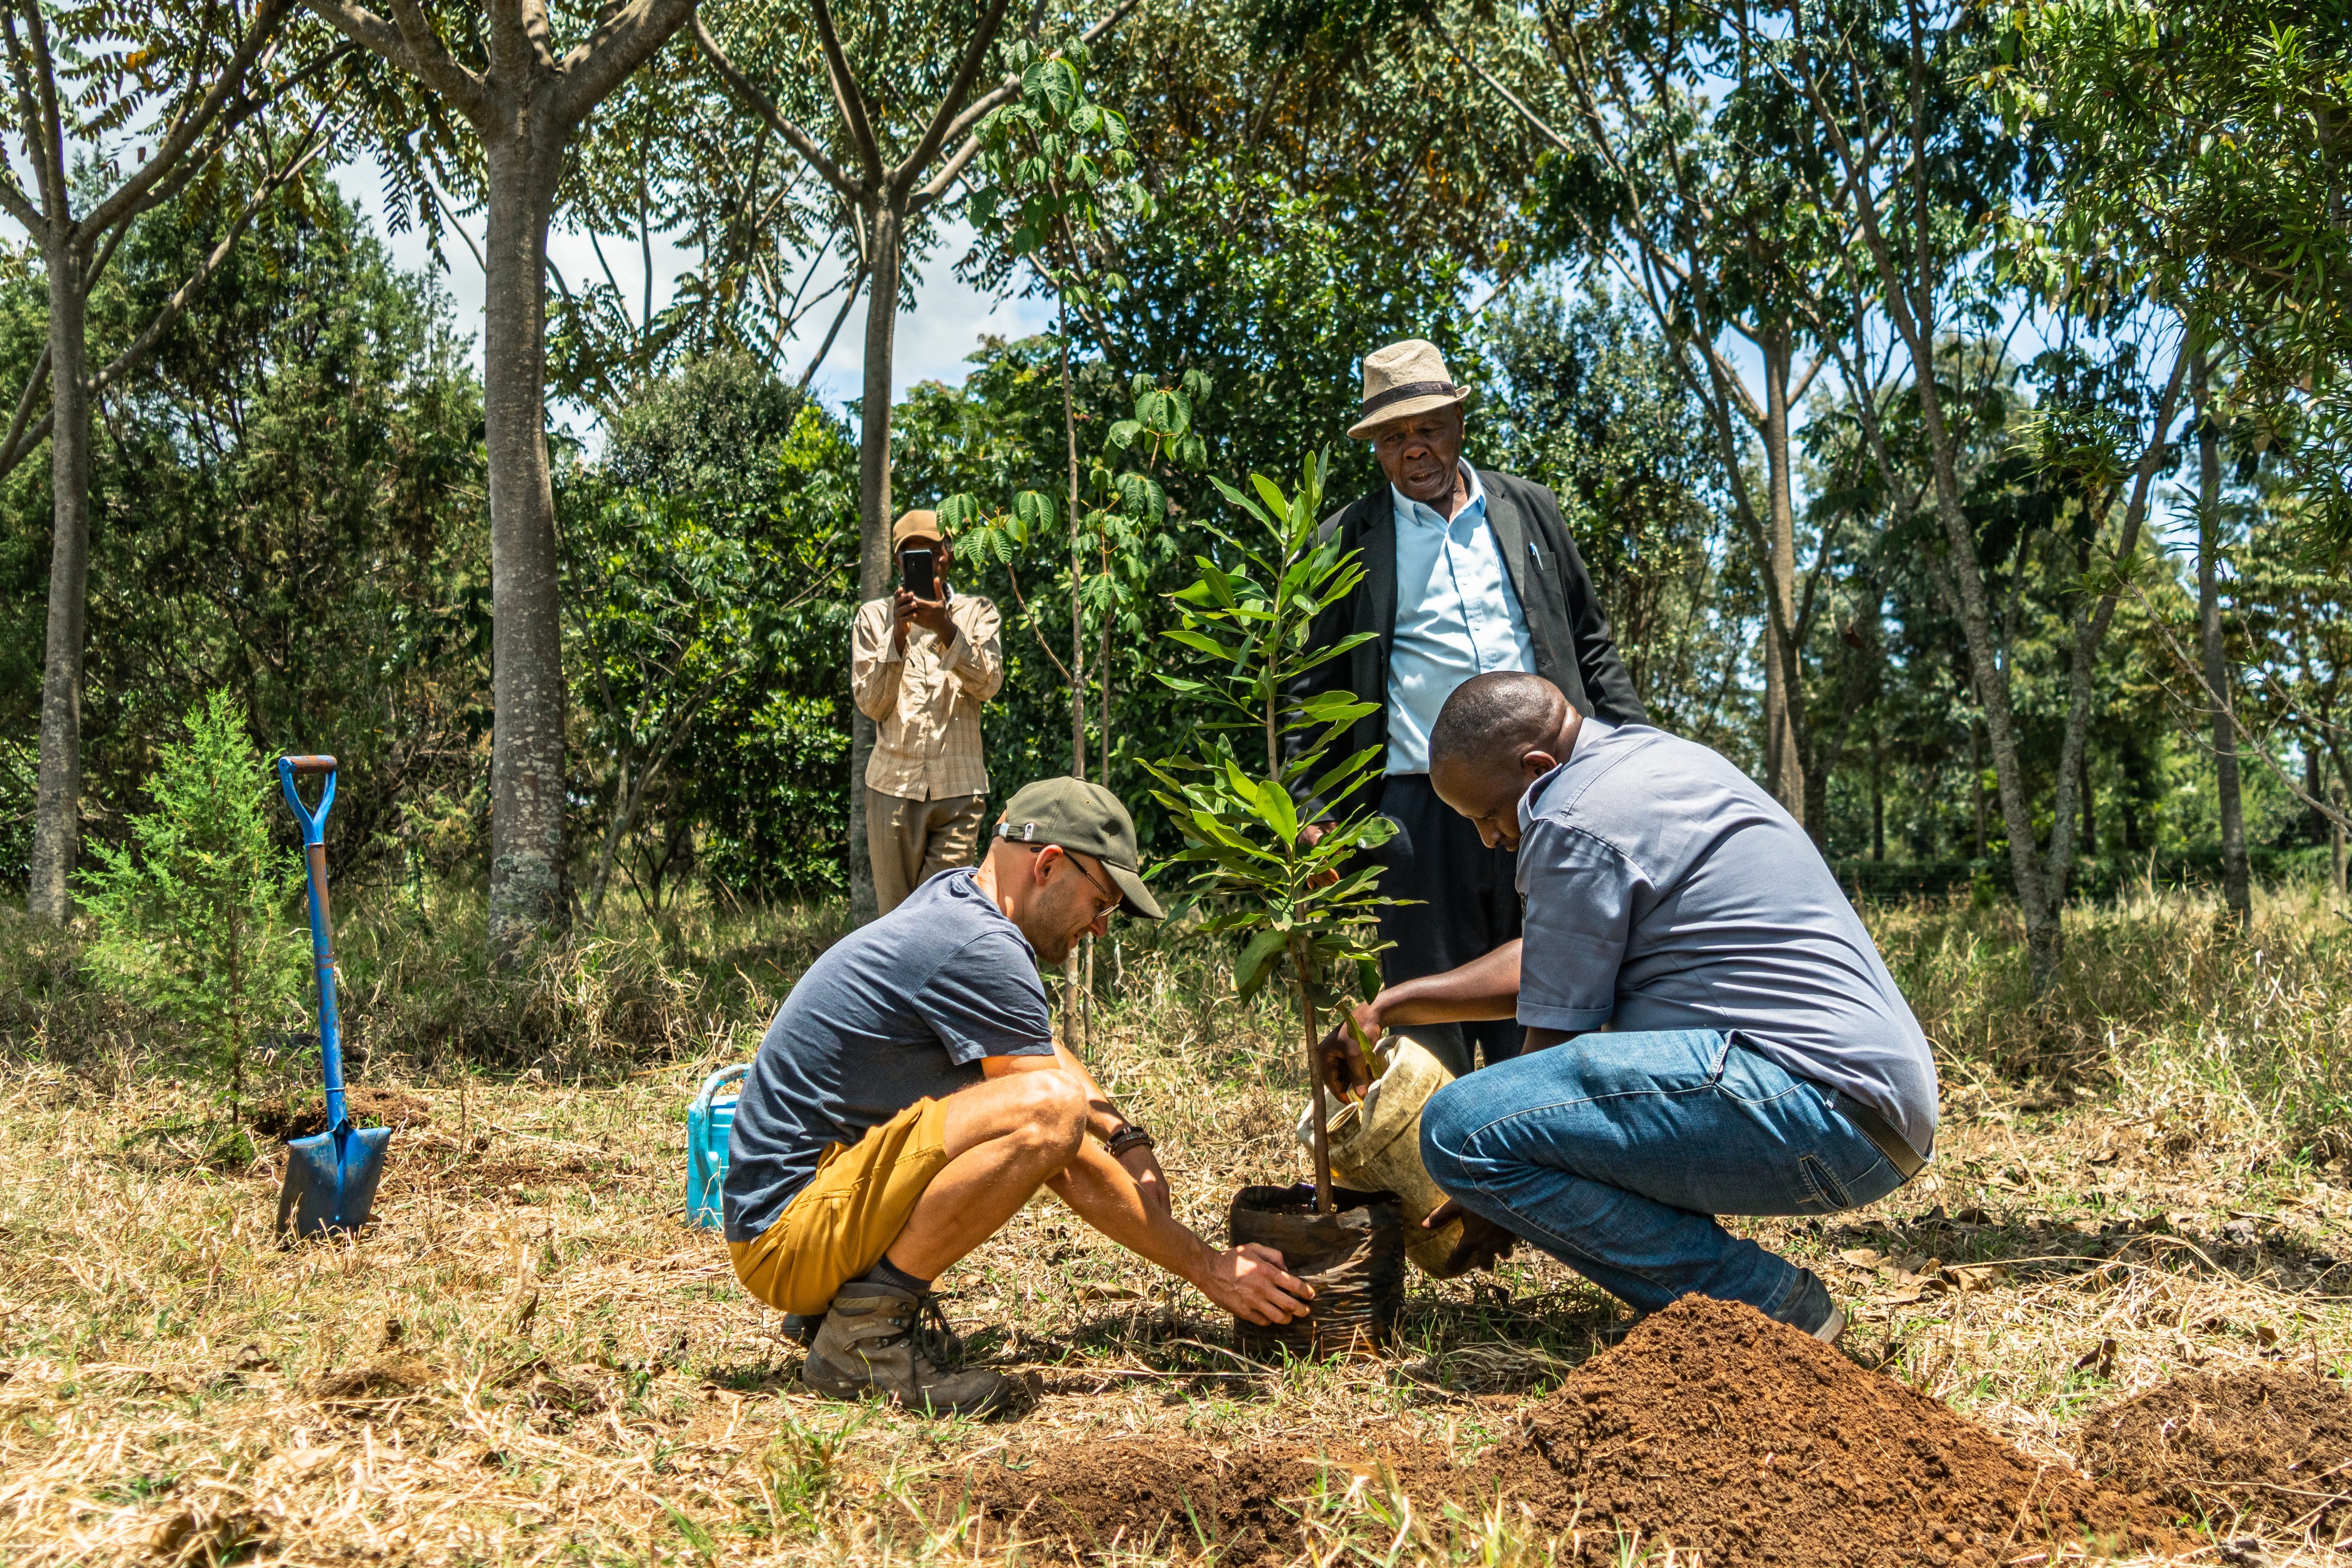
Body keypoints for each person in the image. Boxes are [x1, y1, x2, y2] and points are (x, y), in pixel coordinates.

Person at [1322, 672, 1938, 1342]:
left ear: (1536, 768)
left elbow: (1542, 1069)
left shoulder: (1569, 814)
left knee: (1460, 1127)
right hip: (1866, 1113)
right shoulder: (1646, 764)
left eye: (1489, 815)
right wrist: (1393, 1004)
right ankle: (1742, 1301)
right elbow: (1555, 956)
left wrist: (1489, 1185)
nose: (1491, 839)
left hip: (1812, 1106)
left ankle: (1764, 1307)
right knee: (1492, 1122)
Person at [724, 776, 1314, 1416]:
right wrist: (1208, 1267)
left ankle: (845, 1309)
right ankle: (861, 1342)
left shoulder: (955, 904)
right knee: (1050, 1113)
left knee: (1048, 1098)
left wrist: (1125, 1136)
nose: (1101, 929)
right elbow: (1052, 1129)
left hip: (798, 1217)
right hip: (787, 1241)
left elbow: (1035, 1048)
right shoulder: (982, 946)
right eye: (1102, 903)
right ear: (1050, 864)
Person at [1292, 340, 1648, 1081]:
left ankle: (1556, 1156)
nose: (1413, 450)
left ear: (1459, 421)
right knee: (1432, 1007)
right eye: (1392, 438)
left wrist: (1638, 753)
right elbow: (1308, 683)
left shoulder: (1528, 510)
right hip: (1417, 810)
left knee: (1562, 982)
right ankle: (1451, 1174)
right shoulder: (1347, 541)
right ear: (1375, 449)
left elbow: (1589, 640)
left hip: (1549, 790)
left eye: (1427, 428)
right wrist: (1310, 805)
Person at [852, 509, 1005, 915]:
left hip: (959, 790)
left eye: (931, 552)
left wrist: (946, 629)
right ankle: (896, 983)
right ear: (900, 563)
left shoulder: (978, 614)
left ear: (948, 554)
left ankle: (938, 981)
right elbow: (872, 705)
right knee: (895, 922)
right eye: (910, 555)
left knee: (943, 918)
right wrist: (898, 637)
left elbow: (989, 685)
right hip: (891, 791)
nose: (923, 561)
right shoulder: (874, 618)